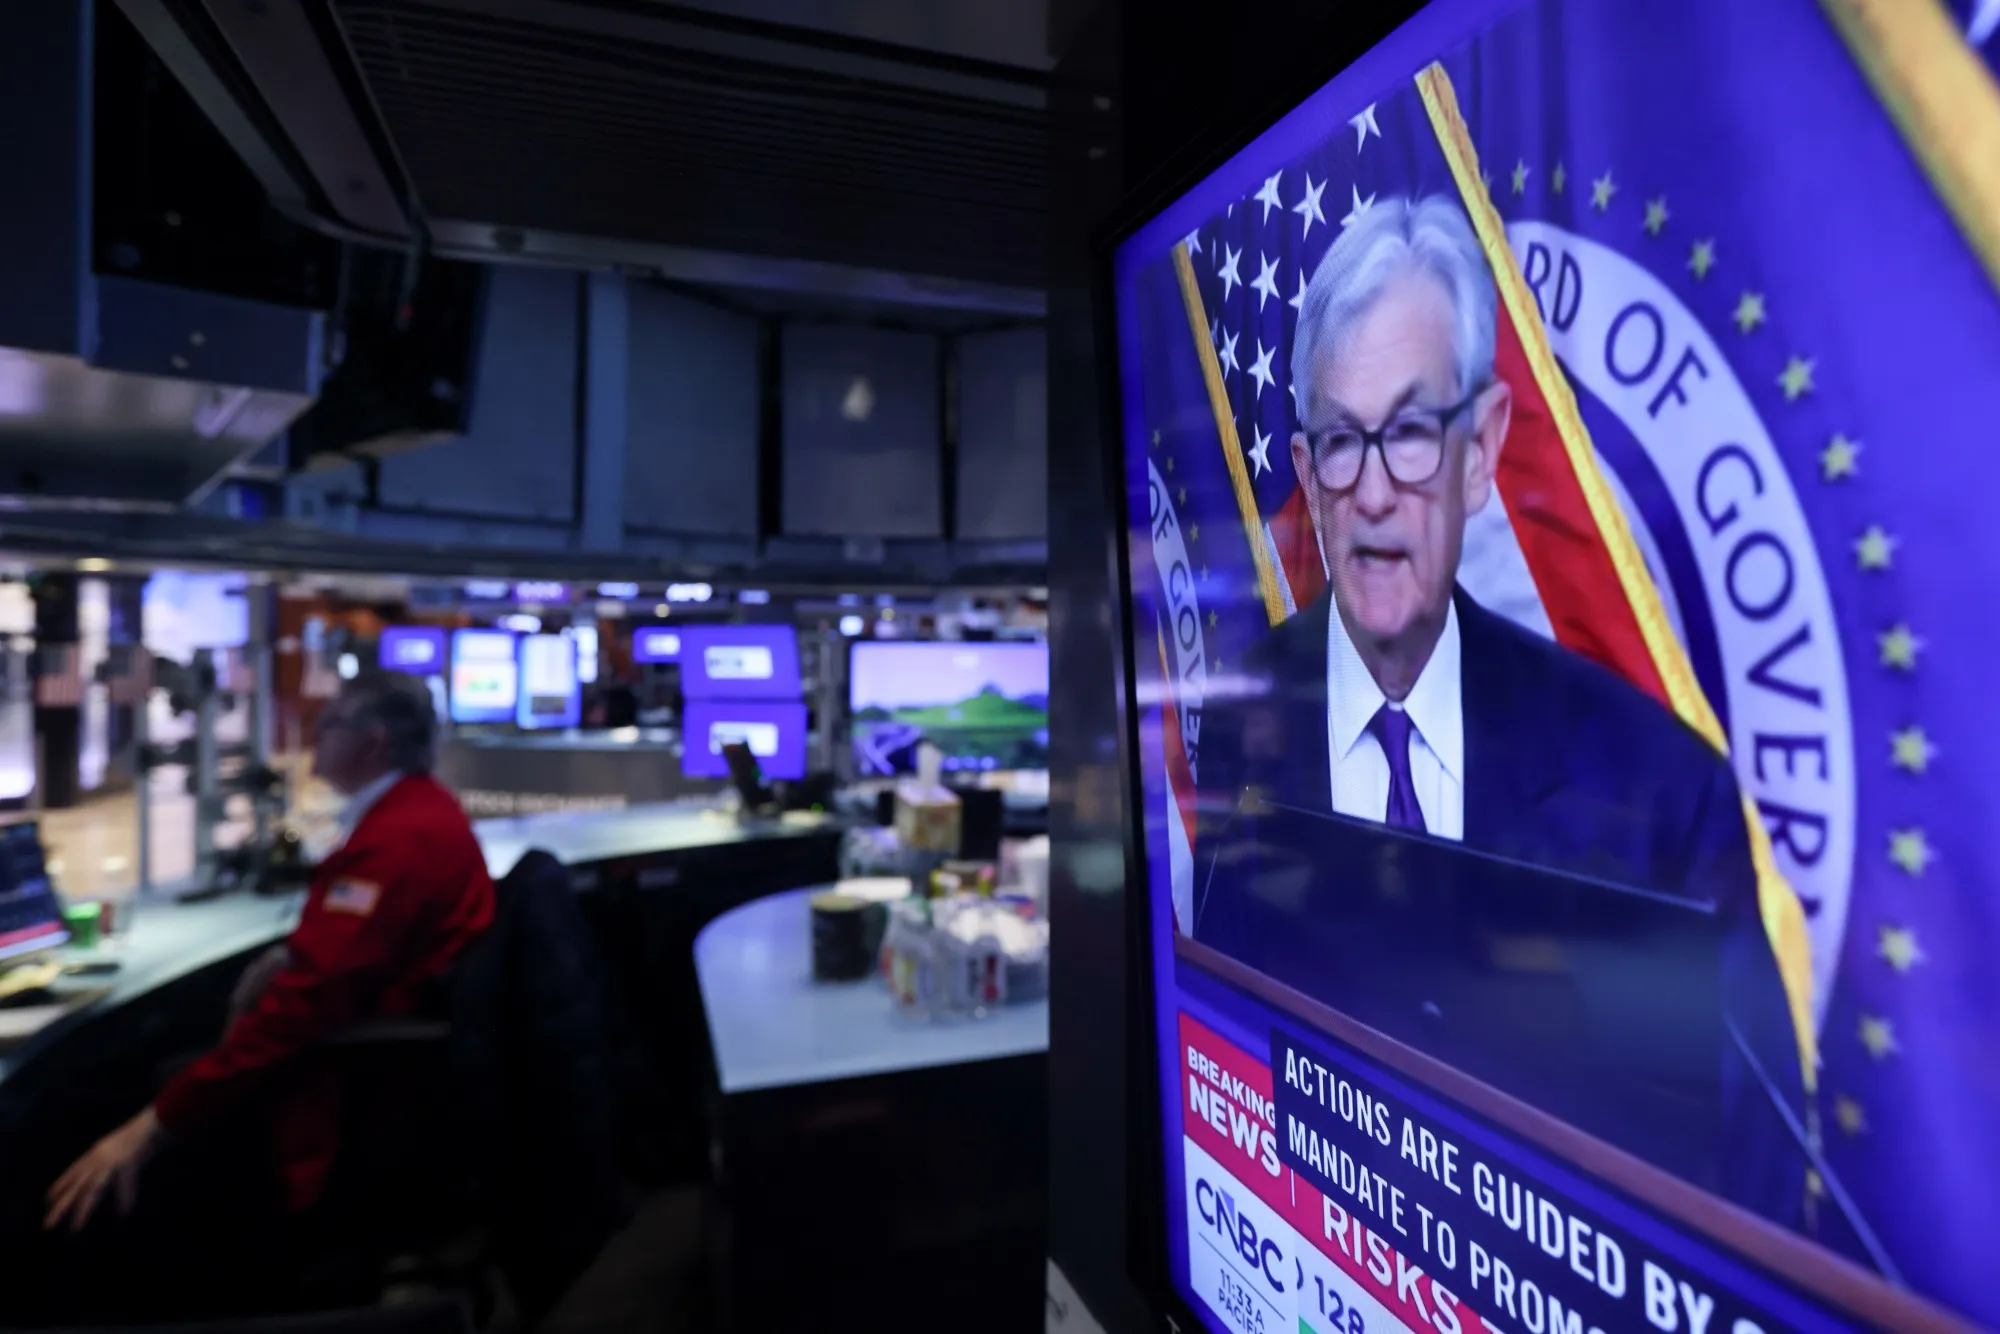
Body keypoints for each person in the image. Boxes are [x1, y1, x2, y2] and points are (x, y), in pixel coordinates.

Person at [1191, 194, 1805, 1222]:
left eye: (1412, 435)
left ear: (1479, 453)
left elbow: (1749, 1199)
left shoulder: (1659, 792)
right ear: (1306, 472)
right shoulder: (1242, 716)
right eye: (1341, 441)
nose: (1375, 492)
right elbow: (1235, 1059)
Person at [44, 670, 495, 1244]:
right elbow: (348, 959)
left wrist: (150, 1126)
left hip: (349, 1088)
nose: (314, 738)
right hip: (385, 1062)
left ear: (371, 743)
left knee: (138, 1091)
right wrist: (290, 955)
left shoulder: (393, 843)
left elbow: (301, 1012)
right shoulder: (422, 812)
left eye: (326, 725)